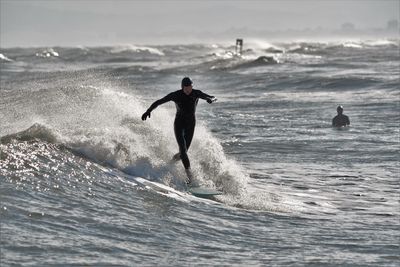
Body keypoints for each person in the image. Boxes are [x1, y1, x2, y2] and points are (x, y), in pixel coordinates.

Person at [141, 77, 216, 184]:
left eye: (190, 87)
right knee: (183, 150)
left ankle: (171, 162)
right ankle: (191, 178)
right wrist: (148, 111)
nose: (188, 90)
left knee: (182, 153)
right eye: (186, 88)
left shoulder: (196, 93)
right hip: (179, 124)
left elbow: (212, 97)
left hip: (191, 124)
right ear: (182, 87)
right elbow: (159, 101)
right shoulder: (176, 95)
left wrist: (210, 99)